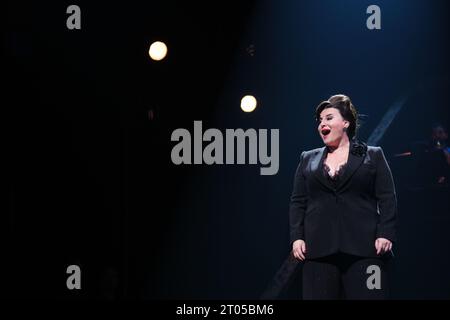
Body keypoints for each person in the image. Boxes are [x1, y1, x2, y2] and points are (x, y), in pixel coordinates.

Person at [289, 94, 397, 299]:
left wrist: (385, 233)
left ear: (346, 122)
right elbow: (298, 201)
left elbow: (387, 196)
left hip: (364, 249)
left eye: (329, 118)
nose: (322, 123)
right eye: (320, 120)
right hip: (319, 250)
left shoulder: (372, 155)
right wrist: (297, 238)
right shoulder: (307, 159)